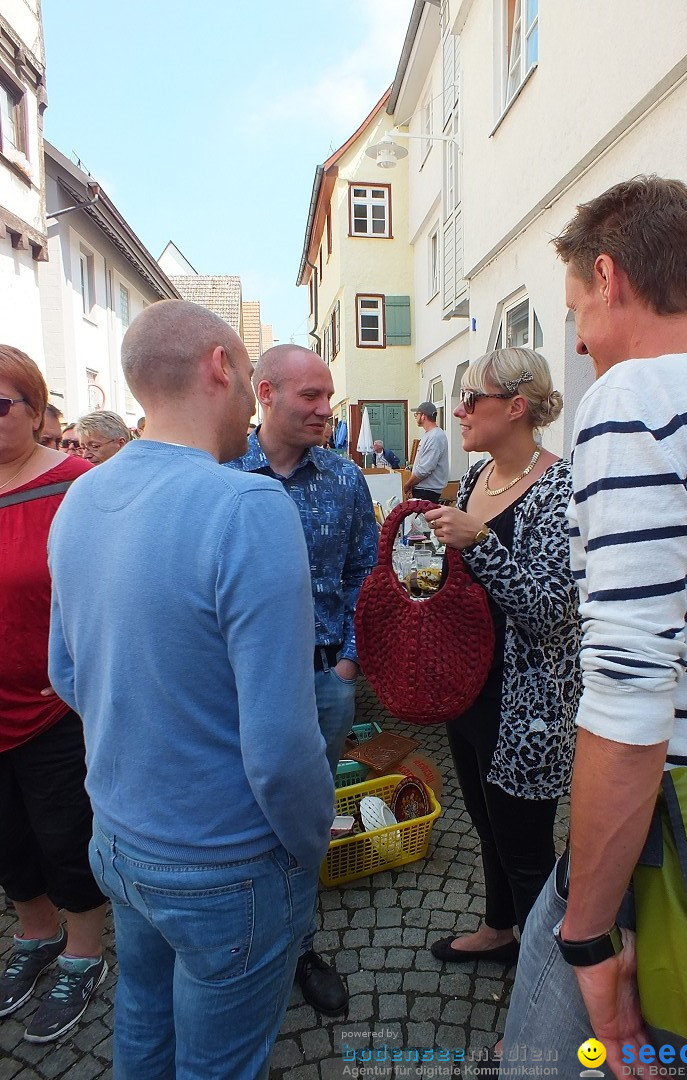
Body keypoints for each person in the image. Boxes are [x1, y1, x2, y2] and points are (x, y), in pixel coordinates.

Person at [501, 177, 687, 1078]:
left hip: (658, 861)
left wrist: (590, 936)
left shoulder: (635, 401)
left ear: (609, 277)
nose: (583, 342)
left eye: (575, 312)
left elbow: (631, 692)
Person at [48, 301, 333, 1079]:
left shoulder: (79, 497)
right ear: (219, 367)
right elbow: (280, 747)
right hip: (226, 861)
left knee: (141, 1023)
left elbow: (64, 673)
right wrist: (311, 847)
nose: (251, 398)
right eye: (247, 376)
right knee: (218, 1064)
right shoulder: (246, 506)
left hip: (119, 837)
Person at [423, 348, 581, 1053]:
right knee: (486, 826)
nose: (459, 411)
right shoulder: (479, 476)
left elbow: (551, 611)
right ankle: (499, 927)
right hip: (470, 688)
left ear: (516, 407)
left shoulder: (559, 489)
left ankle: (544, 1001)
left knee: (526, 851)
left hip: (526, 704)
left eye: (471, 400)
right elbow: (465, 587)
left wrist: (478, 541)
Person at [224, 344, 377, 1017]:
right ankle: (236, 942)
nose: (325, 409)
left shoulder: (344, 481)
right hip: (232, 685)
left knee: (304, 821)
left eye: (328, 396)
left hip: (322, 681)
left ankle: (299, 943)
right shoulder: (220, 470)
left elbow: (366, 578)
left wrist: (347, 663)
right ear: (265, 392)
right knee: (233, 811)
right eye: (310, 396)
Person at [0, 346, 106, 1044]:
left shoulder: (76, 484)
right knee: (6, 838)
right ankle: (35, 933)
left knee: (66, 834)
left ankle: (83, 948)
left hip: (54, 706)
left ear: (37, 412)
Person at [404, 401, 449, 502]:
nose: (416, 417)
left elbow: (425, 469)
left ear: (423, 416)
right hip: (423, 488)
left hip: (427, 490)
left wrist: (408, 484)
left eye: (417, 414)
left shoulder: (435, 437)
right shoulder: (429, 435)